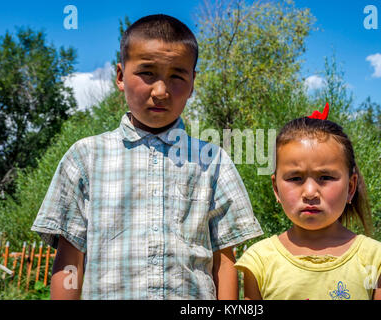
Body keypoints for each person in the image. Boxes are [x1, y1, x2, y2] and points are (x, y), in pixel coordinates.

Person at [31, 14, 263, 300]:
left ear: (192, 84)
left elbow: (225, 259)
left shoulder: (212, 161)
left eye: (177, 76)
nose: (161, 91)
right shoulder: (85, 157)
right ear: (120, 76)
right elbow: (70, 258)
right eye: (148, 73)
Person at [234, 103, 381, 300]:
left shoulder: (378, 261)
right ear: (276, 189)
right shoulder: (259, 262)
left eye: (325, 177)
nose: (309, 192)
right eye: (295, 178)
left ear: (350, 187)